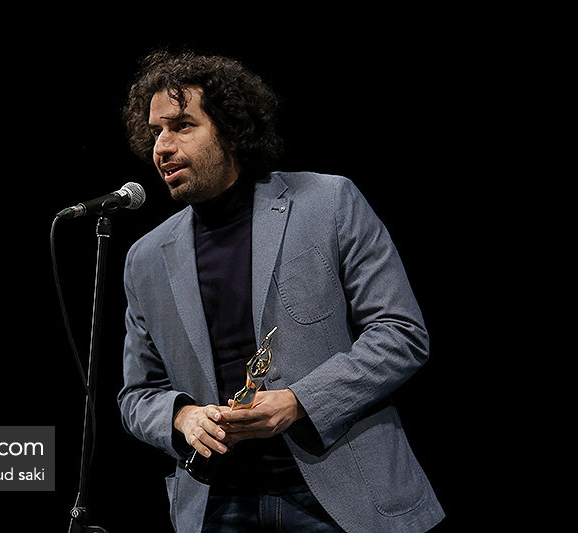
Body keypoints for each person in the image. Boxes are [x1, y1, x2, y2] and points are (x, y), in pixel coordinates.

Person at [117, 50, 444, 533]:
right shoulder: (145, 258)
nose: (161, 147)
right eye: (155, 132)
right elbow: (137, 394)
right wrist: (182, 416)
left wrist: (299, 400)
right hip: (219, 505)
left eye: (182, 126)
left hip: (341, 498)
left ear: (232, 130)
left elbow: (401, 333)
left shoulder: (329, 203)